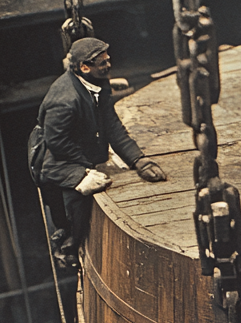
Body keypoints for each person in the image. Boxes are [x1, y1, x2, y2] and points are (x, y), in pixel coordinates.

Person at [31, 37, 166, 267]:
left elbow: (111, 125)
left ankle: (71, 236)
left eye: (108, 60)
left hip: (74, 144)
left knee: (92, 177)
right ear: (84, 67)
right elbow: (56, 142)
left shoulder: (98, 82)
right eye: (103, 63)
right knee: (78, 195)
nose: (108, 65)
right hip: (52, 157)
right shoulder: (65, 100)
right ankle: (68, 245)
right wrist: (86, 169)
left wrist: (138, 160)